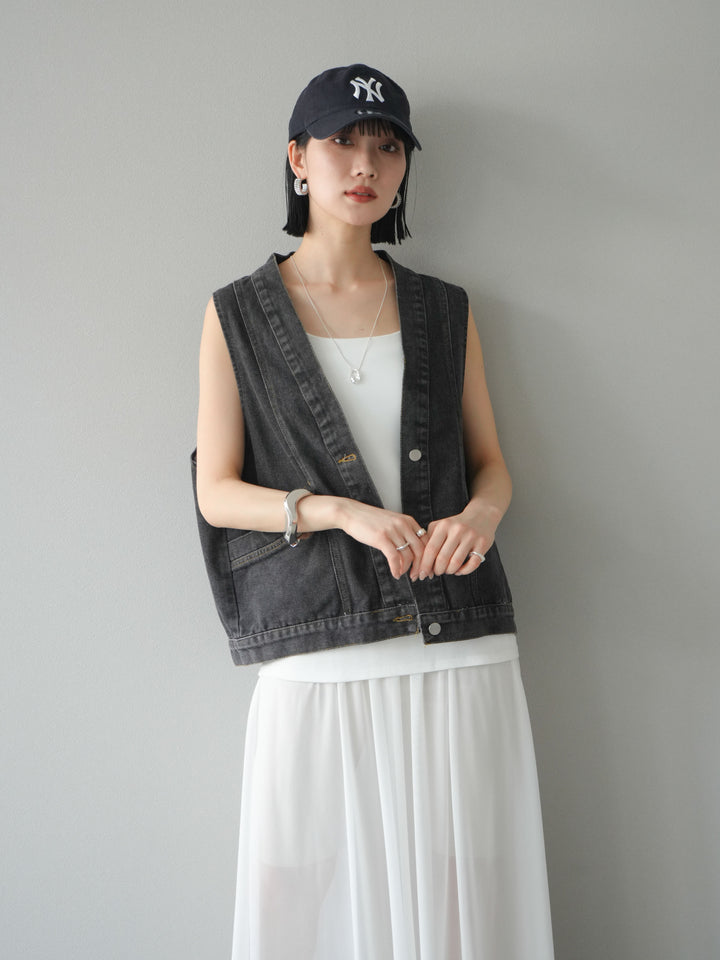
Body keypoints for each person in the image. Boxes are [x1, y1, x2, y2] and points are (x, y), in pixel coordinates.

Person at [193, 63, 554, 960]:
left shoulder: (443, 308)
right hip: (318, 643)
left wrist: (481, 518)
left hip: (457, 642)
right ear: (297, 159)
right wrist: (340, 513)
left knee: (463, 898)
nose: (366, 165)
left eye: (388, 148)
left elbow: (494, 468)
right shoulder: (237, 315)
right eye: (342, 142)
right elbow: (216, 492)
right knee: (293, 897)